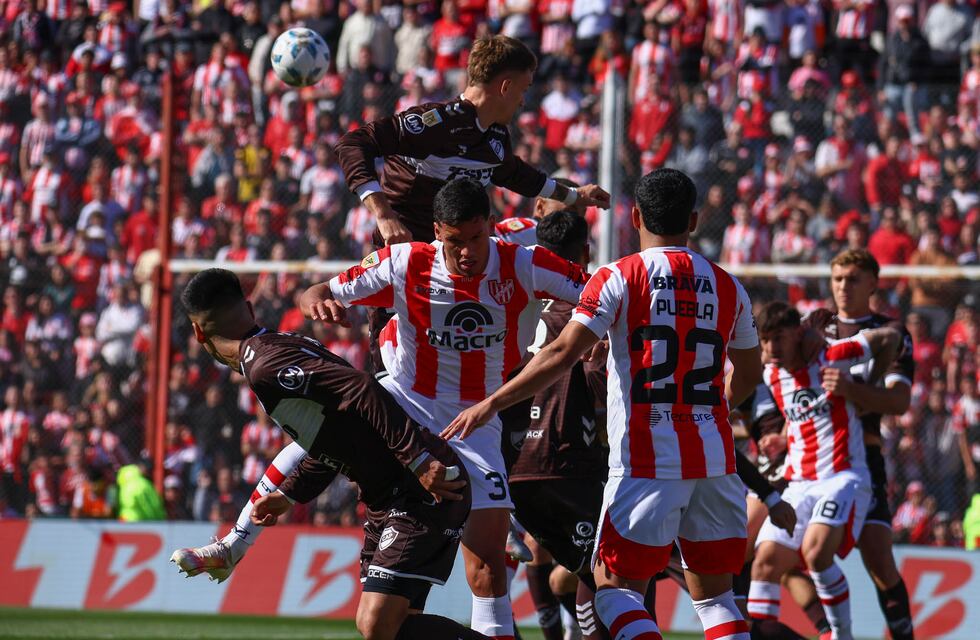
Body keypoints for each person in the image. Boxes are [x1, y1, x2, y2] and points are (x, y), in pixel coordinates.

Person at [445, 168, 763, 640]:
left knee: (613, 592)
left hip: (646, 462)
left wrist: (491, 404)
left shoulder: (618, 277)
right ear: (694, 220)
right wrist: (711, 411)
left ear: (634, 216)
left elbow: (561, 353)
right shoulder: (728, 285)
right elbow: (750, 372)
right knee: (717, 600)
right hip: (716, 463)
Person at [302, 178, 591, 640]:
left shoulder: (526, 263)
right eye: (454, 241)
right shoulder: (405, 261)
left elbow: (599, 293)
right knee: (380, 621)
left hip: (478, 424)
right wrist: (317, 299)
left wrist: (592, 334)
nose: (466, 253)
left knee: (488, 571)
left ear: (490, 227)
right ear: (437, 231)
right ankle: (248, 525)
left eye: (476, 238)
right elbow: (319, 289)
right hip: (409, 414)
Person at [169, 268, 483, 640]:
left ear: (198, 332)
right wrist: (289, 495)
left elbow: (362, 389)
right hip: (391, 493)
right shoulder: (276, 347)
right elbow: (338, 434)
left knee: (377, 623)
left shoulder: (266, 367)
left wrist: (418, 460)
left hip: (417, 486)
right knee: (396, 628)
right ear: (250, 309)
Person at [335, 34, 610, 248]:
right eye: (523, 90)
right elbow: (352, 144)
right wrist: (383, 214)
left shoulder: (496, 136)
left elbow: (519, 176)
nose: (523, 101)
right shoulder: (434, 123)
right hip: (403, 263)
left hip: (456, 268)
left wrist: (575, 196)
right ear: (505, 87)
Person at [748, 301, 901, 640]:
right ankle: (760, 636)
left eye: (779, 338)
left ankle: (841, 636)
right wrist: (783, 438)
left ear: (798, 335)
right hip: (800, 481)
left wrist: (860, 392)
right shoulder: (771, 370)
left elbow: (890, 337)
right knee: (765, 562)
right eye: (766, 340)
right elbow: (801, 410)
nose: (772, 347)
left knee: (817, 554)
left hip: (843, 476)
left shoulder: (832, 355)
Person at [801, 249, 917, 640]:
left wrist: (851, 391)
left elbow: (899, 402)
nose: (843, 287)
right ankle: (825, 631)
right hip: (808, 455)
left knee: (880, 560)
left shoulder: (892, 331)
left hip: (861, 456)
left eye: (852, 279)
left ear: (872, 283)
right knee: (776, 553)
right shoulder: (813, 326)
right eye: (837, 278)